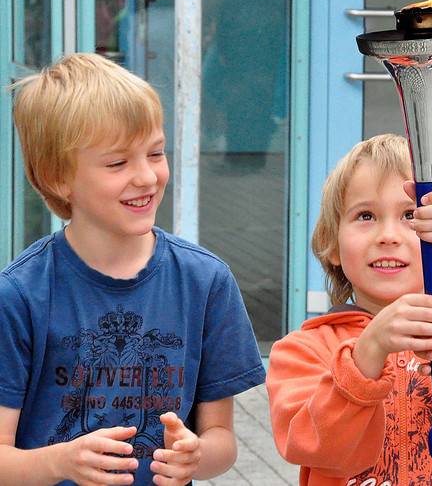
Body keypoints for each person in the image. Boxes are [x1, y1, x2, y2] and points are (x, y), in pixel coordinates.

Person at [0, 53, 266, 485]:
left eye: (156, 152)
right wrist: (60, 463)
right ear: (56, 177)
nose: (146, 177)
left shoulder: (206, 282)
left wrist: (195, 457)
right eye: (117, 163)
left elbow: (221, 439)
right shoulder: (18, 295)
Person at [265, 133, 432, 486]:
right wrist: (369, 350)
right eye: (366, 215)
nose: (389, 236)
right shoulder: (300, 352)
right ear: (330, 245)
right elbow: (317, 447)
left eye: (410, 215)